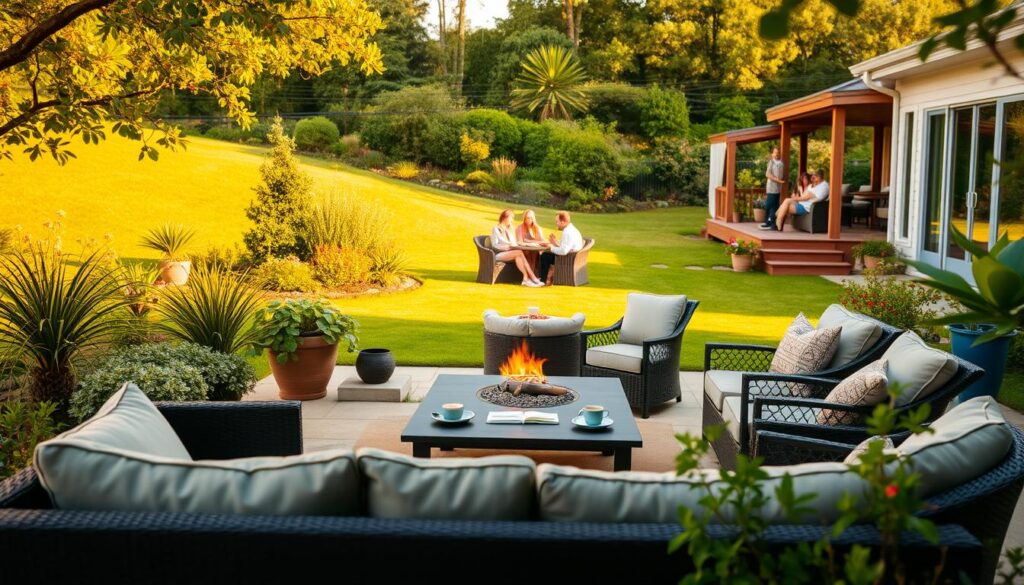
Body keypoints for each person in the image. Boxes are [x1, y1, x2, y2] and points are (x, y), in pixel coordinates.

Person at [491, 209, 544, 287]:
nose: (512, 220)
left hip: (509, 253)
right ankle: (532, 277)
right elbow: (494, 245)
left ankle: (526, 279)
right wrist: (508, 247)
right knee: (519, 252)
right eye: (511, 218)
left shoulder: (509, 230)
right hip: (498, 254)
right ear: (505, 218)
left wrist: (514, 245)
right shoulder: (496, 228)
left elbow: (513, 243)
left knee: (519, 255)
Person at [539, 211, 583, 286]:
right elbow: (566, 246)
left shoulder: (567, 232)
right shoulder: (571, 229)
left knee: (545, 256)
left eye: (557, 222)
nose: (556, 224)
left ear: (562, 222)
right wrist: (554, 242)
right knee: (547, 255)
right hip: (571, 257)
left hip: (567, 259)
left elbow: (563, 251)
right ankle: (547, 279)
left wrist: (551, 247)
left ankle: (542, 280)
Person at [759, 146, 786, 231]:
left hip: (778, 189)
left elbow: (781, 176)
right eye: (775, 152)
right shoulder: (771, 162)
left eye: (778, 152)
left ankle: (773, 224)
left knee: (775, 206)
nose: (777, 154)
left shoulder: (781, 163)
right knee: (769, 205)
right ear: (772, 154)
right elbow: (768, 174)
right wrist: (777, 180)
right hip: (771, 188)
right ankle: (768, 222)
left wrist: (780, 181)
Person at [515, 209, 546, 274]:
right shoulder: (520, 228)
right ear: (524, 218)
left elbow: (543, 242)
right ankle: (531, 275)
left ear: (533, 218)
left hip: (534, 250)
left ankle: (533, 275)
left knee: (536, 253)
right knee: (530, 253)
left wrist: (530, 241)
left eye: (530, 218)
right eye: (527, 218)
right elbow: (519, 242)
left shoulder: (537, 228)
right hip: (523, 250)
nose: (528, 220)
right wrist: (530, 243)